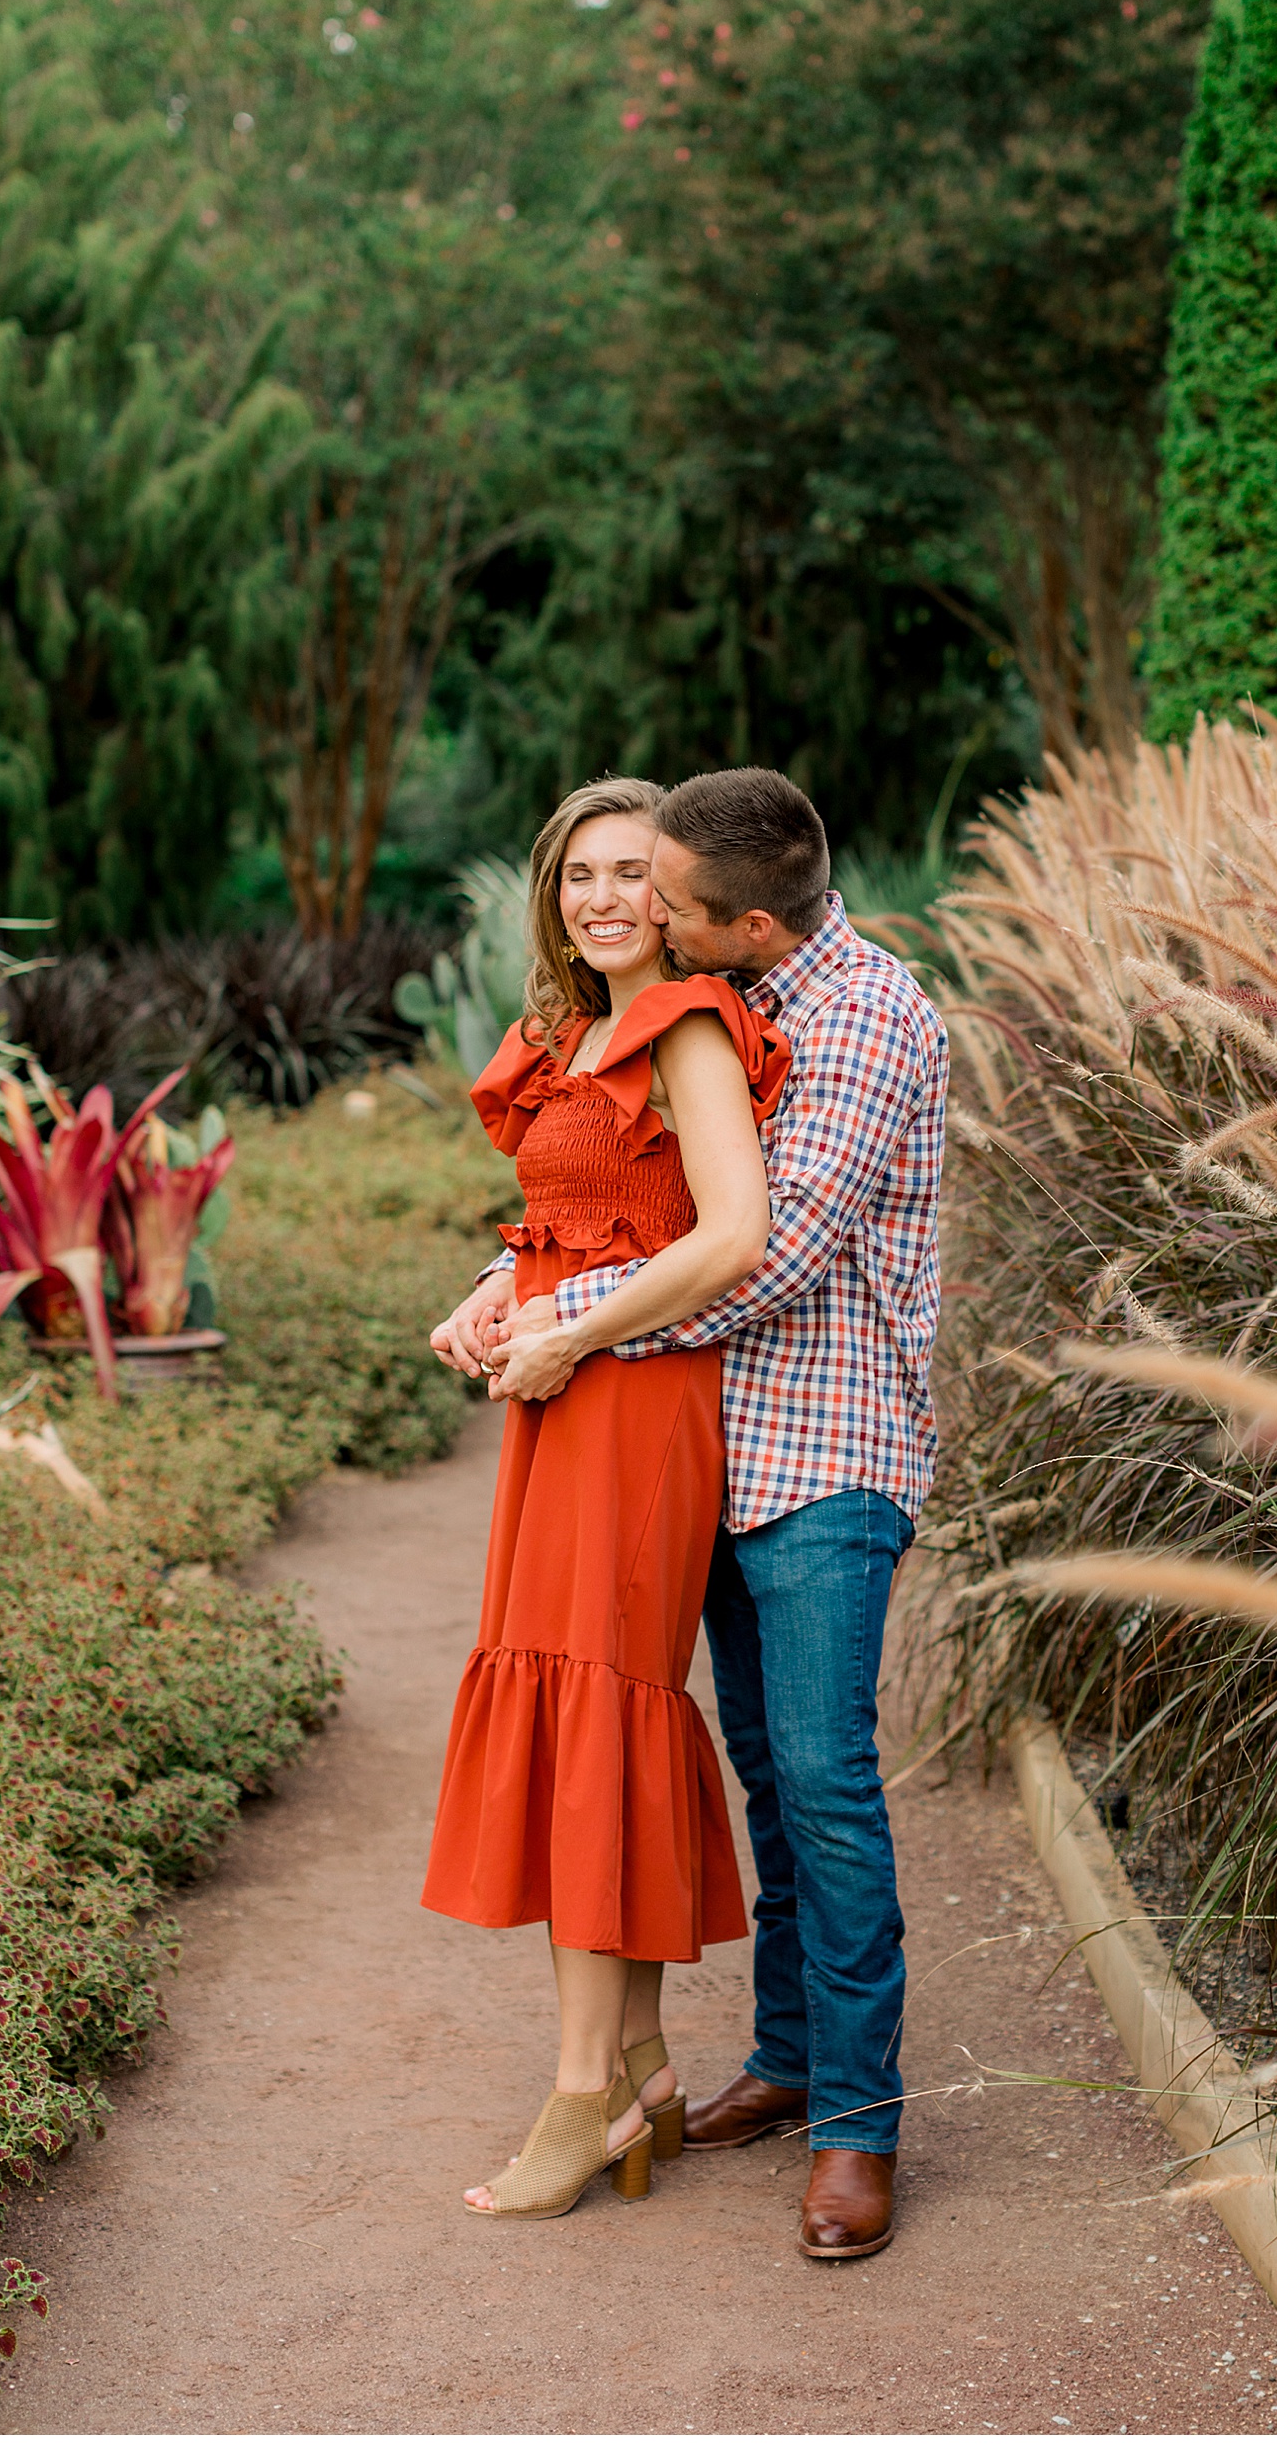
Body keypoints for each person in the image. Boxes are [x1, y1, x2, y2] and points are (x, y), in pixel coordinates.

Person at [438, 767, 949, 2263]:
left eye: (662, 893)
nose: (634, 907)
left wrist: (550, 1319)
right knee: (764, 1778)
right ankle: (786, 2058)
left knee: (825, 1775)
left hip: (823, 1453)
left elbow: (760, 1256)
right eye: (613, 879)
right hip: (707, 1442)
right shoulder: (742, 990)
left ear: (739, 920)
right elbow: (628, 1201)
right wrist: (513, 1281)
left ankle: (858, 2123)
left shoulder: (862, 1019)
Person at [420, 775, 790, 2221]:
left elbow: (732, 1232)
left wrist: (576, 1332)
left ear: (677, 892)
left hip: (634, 1403)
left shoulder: (688, 1027)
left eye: (634, 872)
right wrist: (496, 1298)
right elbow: (568, 1225)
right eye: (580, 874)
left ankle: (581, 2093)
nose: (604, 897)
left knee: (600, 1701)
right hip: (563, 1396)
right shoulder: (567, 1039)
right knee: (580, 1699)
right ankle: (636, 2066)